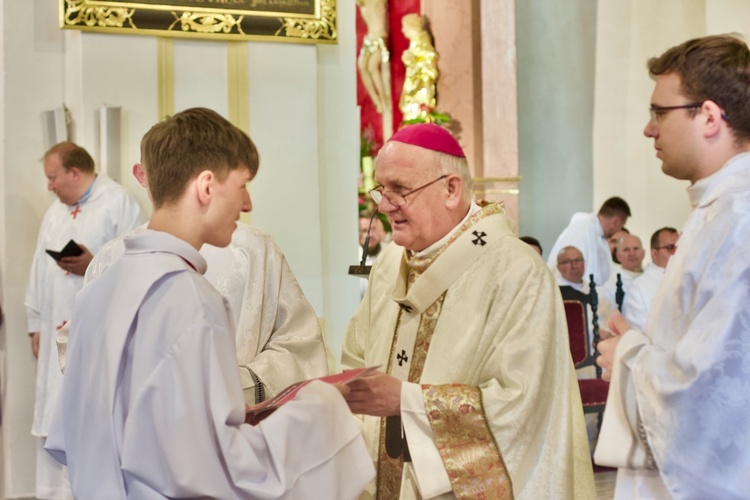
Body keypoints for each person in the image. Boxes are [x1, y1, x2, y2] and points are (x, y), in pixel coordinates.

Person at [44, 108, 374, 498]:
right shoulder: (189, 297)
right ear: (205, 187)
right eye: (242, 184)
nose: (248, 203)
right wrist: (320, 407)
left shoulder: (102, 286)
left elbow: (67, 437)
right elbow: (213, 469)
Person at [342, 123, 594, 499]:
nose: (383, 204)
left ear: (451, 189)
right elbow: (357, 354)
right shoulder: (389, 263)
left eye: (400, 189)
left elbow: (523, 403)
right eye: (381, 188)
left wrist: (406, 401)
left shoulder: (515, 269)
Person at [594, 35, 750, 498]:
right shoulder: (716, 211)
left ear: (708, 116)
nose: (649, 129)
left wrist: (626, 357)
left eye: (659, 112)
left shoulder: (739, 220)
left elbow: (718, 389)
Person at [79, 161, 330, 404]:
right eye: (242, 186)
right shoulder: (109, 260)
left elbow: (298, 342)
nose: (247, 204)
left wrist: (247, 383)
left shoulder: (255, 248)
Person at [25, 141, 144, 499]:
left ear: (74, 172)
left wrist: (93, 262)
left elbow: (135, 263)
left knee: (86, 420)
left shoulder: (120, 203)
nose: (49, 186)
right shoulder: (55, 212)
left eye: (53, 178)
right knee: (52, 417)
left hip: (93, 334)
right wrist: (35, 323)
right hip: (54, 330)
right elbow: (38, 270)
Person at [547, 196, 631, 286]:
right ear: (616, 221)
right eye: (621, 225)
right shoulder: (582, 230)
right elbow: (572, 272)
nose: (619, 230)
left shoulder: (598, 234)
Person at [622, 227, 678, 330]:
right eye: (670, 247)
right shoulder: (638, 288)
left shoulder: (688, 277)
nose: (677, 252)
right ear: (654, 254)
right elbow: (638, 333)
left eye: (680, 247)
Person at [399, 14, 439, 122]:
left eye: (404, 27)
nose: (403, 30)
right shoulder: (414, 42)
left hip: (420, 84)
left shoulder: (422, 39)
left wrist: (411, 59)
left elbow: (429, 57)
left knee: (419, 111)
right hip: (414, 81)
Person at [357, 0, 390, 114]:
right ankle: (376, 100)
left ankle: (383, 99)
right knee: (362, 66)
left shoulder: (376, 2)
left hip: (379, 35)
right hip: (370, 37)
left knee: (372, 67)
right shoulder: (362, 4)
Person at [358, 211, 389, 298]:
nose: (370, 234)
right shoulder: (352, 256)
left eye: (373, 229)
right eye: (364, 231)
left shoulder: (390, 252)